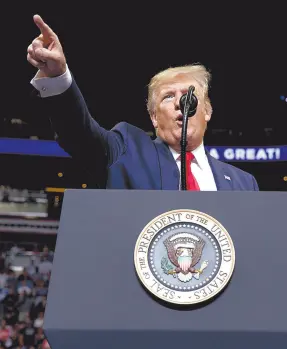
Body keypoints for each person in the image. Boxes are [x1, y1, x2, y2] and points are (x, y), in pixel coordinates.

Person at [27, 15, 259, 191]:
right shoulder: (127, 149)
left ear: (207, 110)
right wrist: (58, 77)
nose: (180, 102)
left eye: (189, 95)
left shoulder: (243, 183)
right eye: (168, 96)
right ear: (154, 117)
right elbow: (78, 133)